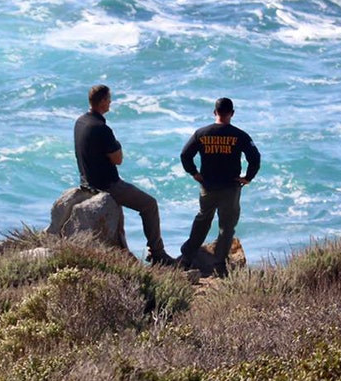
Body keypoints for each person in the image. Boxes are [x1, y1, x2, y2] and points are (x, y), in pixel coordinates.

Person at [74, 85, 176, 266]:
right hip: (106, 184)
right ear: (103, 101)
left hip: (86, 181)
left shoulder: (80, 122)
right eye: (109, 99)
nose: (111, 102)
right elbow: (118, 159)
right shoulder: (102, 128)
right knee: (149, 205)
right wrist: (117, 143)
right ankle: (158, 253)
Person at [178, 97, 261, 277]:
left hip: (207, 186)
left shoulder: (201, 133)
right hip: (230, 188)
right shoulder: (239, 135)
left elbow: (185, 155)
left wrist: (194, 173)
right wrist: (248, 177)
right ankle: (219, 263)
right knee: (227, 227)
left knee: (202, 220)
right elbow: (255, 157)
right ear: (232, 113)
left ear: (214, 112)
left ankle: (187, 257)